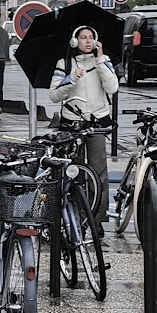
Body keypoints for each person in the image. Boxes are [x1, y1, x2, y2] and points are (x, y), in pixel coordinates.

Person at [47, 25, 119, 218]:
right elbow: (53, 96)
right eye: (83, 37)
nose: (88, 41)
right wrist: (71, 79)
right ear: (74, 41)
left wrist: (101, 60)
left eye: (91, 37)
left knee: (98, 172)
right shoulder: (65, 64)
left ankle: (98, 218)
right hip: (72, 125)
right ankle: (76, 216)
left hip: (96, 124)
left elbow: (112, 88)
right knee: (73, 171)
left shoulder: (103, 62)